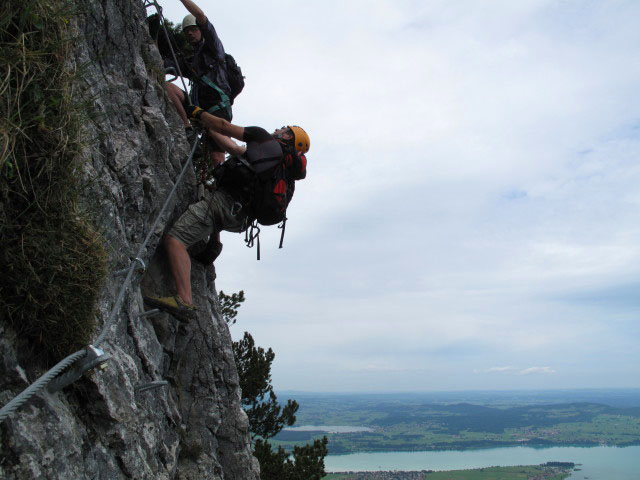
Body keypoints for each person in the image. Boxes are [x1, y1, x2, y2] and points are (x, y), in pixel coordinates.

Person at [144, 107, 310, 321]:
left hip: (224, 205)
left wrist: (197, 113)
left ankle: (184, 300)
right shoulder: (284, 169)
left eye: (284, 129)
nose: (278, 128)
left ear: (288, 136)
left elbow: (225, 128)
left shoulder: (263, 140)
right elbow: (233, 148)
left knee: (175, 240)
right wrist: (210, 131)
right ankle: (213, 242)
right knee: (212, 204)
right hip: (241, 219)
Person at [165, 0, 238, 166]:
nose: (190, 34)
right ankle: (187, 130)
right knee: (169, 88)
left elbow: (200, 15)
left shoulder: (214, 48)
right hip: (197, 108)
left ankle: (220, 184)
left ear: (201, 31)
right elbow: (165, 65)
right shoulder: (191, 61)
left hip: (217, 108)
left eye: (194, 30)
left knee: (217, 157)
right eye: (187, 32)